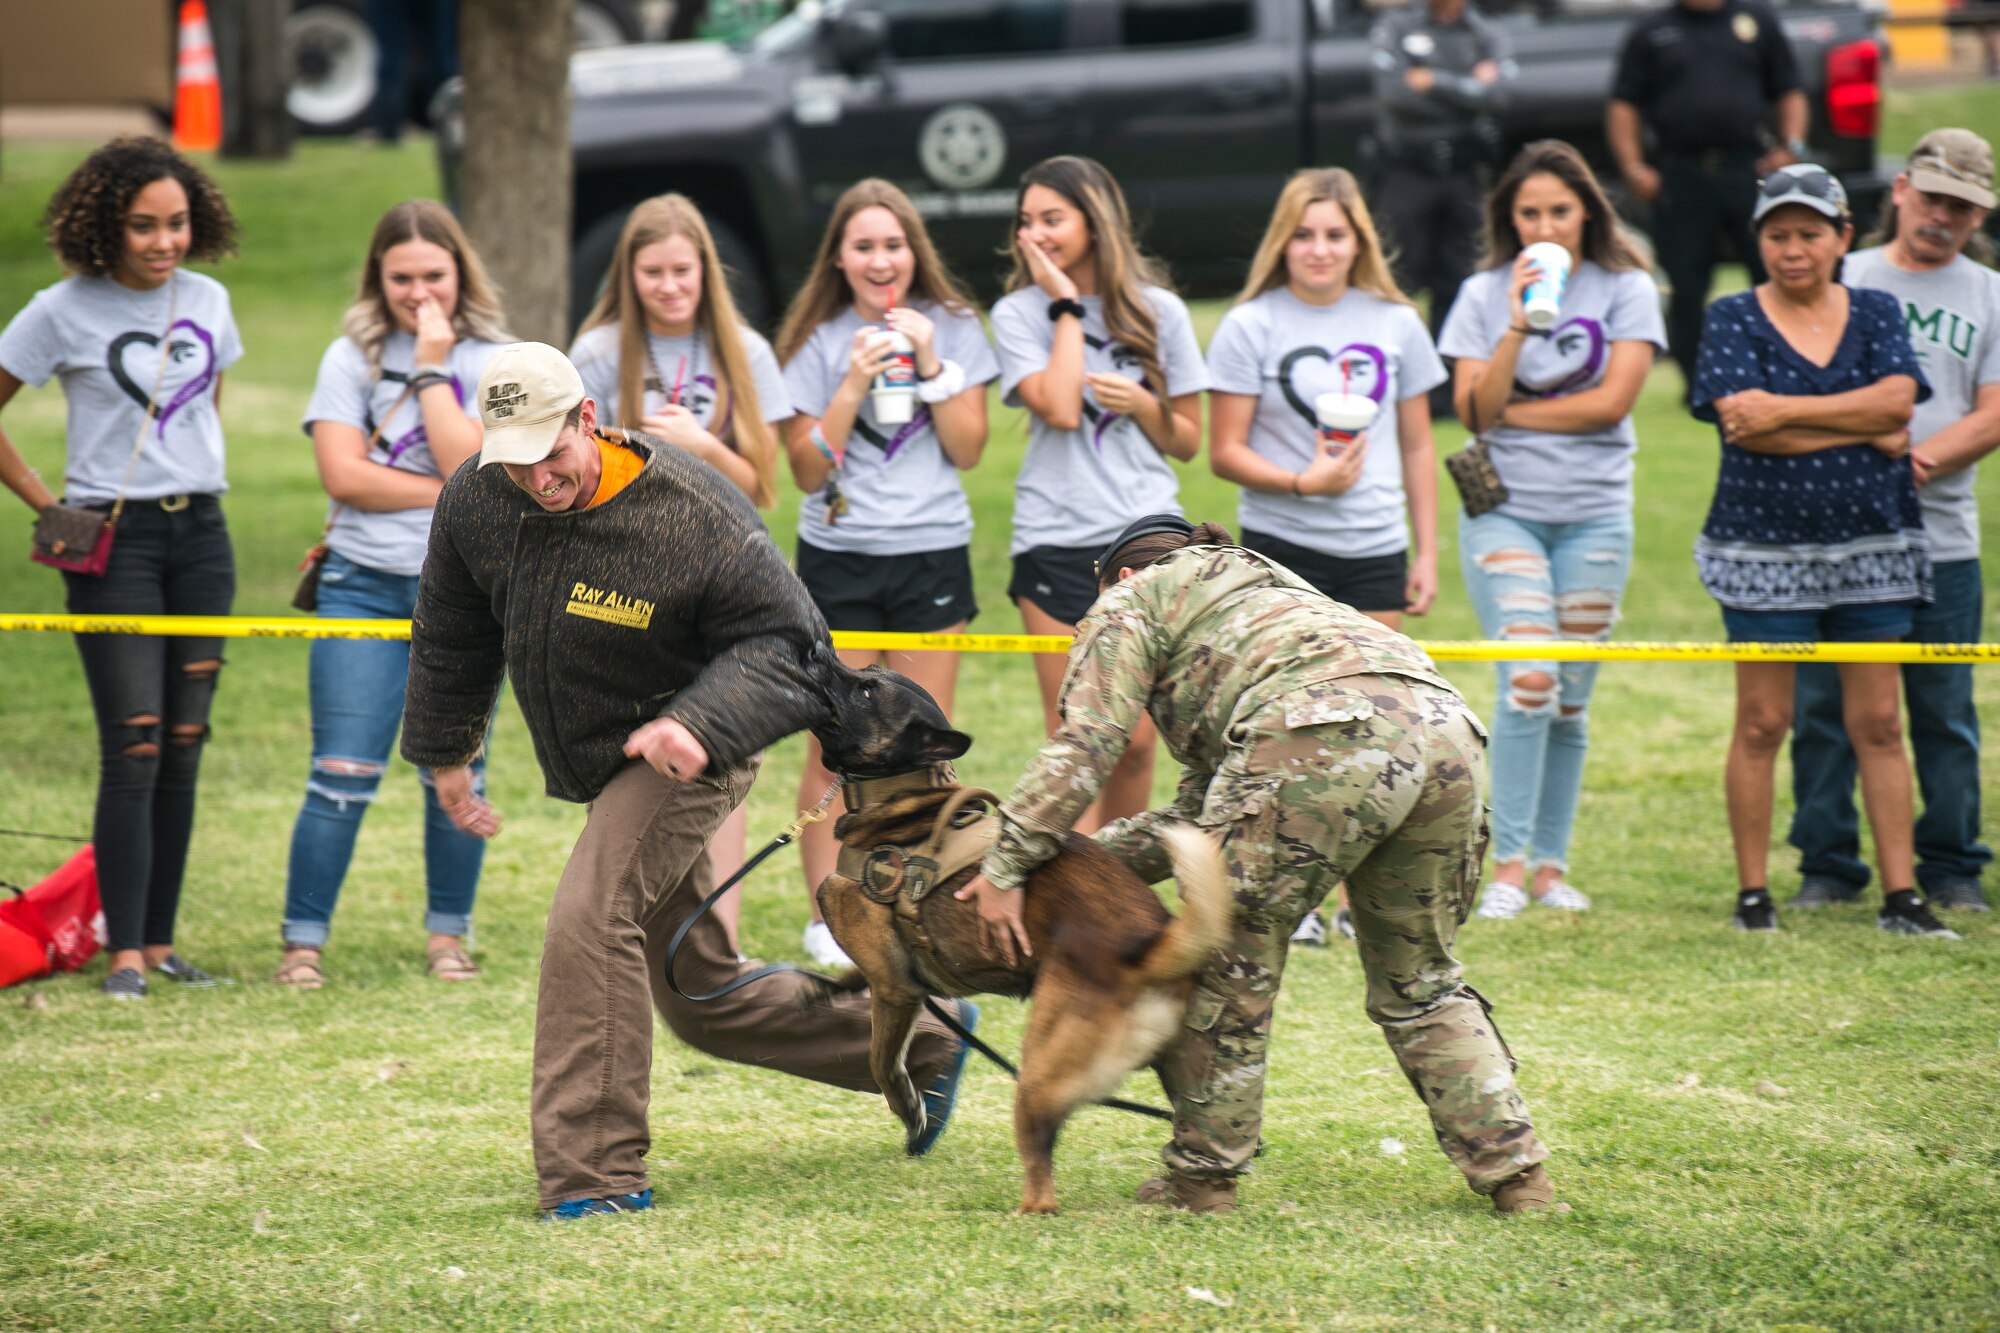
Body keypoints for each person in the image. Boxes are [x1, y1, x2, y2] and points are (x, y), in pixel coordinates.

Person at [399, 341, 974, 1220]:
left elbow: (790, 644)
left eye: (551, 455)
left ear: (587, 419)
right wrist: (447, 752)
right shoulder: (478, 498)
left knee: (590, 917)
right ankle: (928, 1040)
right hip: (608, 753)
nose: (537, 479)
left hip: (697, 742)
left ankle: (594, 1172)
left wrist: (697, 723)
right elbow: (451, 629)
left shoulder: (691, 508)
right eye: (514, 461)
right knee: (697, 995)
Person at [956, 517, 1553, 1216]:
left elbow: (1087, 744)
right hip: (1447, 734)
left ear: (1118, 576)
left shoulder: (1131, 598)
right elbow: (1197, 819)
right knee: (1422, 981)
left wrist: (1005, 866)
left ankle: (1203, 1178)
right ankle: (1519, 1176)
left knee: (1224, 956)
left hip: (1313, 731)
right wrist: (1068, 862)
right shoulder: (1264, 586)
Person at [0, 138, 243, 1000]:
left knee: (183, 743)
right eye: (143, 225)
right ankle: (124, 954)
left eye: (176, 223)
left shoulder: (209, 299)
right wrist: (46, 504)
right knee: (133, 743)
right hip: (114, 544)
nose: (163, 241)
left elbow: (203, 403)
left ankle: (164, 942)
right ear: (106, 224)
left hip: (203, 536)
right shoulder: (60, 310)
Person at [1690, 164, 1958, 940]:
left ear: (1843, 236)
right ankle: (1753, 897)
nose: (1794, 248)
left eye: (1810, 232)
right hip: (1759, 551)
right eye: (1778, 234)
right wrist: (1861, 424)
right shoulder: (1732, 315)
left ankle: (1903, 896)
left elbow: (1899, 404)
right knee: (1762, 722)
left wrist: (1786, 412)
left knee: (1878, 720)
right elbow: (1742, 424)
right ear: (1760, 241)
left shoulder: (1875, 309)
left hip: (1873, 544)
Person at [273, 201, 513, 991]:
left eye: (433, 275)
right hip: (361, 586)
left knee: (459, 771)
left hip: (465, 596)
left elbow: (479, 469)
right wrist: (445, 487)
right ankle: (301, 944)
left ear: (460, 272)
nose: (419, 293)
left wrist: (433, 368)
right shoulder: (349, 358)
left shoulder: (497, 359)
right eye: (401, 277)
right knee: (340, 770)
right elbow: (343, 475)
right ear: (377, 278)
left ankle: (450, 938)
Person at [1206, 165, 1446, 944]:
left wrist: (1426, 550)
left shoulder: (1394, 322)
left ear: (1358, 242)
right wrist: (1302, 481)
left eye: (1334, 235)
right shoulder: (1251, 325)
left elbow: (1417, 443)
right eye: (1304, 234)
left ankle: (1352, 901)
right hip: (1281, 546)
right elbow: (1224, 451)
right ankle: (1291, 895)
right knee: (1283, 722)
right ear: (1284, 240)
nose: (1318, 249)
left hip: (1374, 545)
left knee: (1373, 725)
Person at [774, 179, 998, 970]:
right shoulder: (815, 338)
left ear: (915, 252)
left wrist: (933, 363)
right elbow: (805, 470)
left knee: (925, 745)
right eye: (864, 246)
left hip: (930, 550)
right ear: (840, 256)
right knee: (832, 749)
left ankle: (918, 905)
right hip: (839, 554)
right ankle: (825, 915)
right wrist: (852, 383)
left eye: (894, 245)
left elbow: (970, 449)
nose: (881, 260)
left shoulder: (957, 328)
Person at [1438, 141, 1664, 921]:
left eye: (1559, 211)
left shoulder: (1628, 288)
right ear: (1510, 219)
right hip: (1505, 511)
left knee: (1568, 698)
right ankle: (1505, 865)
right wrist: (1515, 327)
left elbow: (1611, 405)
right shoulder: (1478, 293)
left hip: (1597, 512)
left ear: (1587, 212)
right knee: (1527, 678)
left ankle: (1550, 867)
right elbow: (1470, 411)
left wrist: (1513, 413)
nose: (1545, 226)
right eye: (1528, 213)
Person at [569, 192, 791, 956]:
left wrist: (700, 445)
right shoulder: (597, 351)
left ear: (706, 272)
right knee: (635, 746)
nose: (668, 286)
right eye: (653, 271)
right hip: (626, 579)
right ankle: (634, 915)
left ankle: (715, 934)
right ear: (628, 275)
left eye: (682, 270)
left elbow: (764, 480)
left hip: (723, 578)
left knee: (717, 745)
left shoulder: (745, 351)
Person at [1787, 130, 2000, 915]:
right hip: (1834, 537)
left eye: (1964, 208)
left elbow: (1993, 410)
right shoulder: (1845, 276)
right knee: (1823, 707)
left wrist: (1914, 463)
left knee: (1943, 708)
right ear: (1902, 189)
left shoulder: (1989, 294)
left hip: (1942, 540)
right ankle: (1828, 862)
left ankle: (1951, 864)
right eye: (1935, 197)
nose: (1945, 216)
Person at [991, 155, 1209, 833]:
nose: (1035, 235)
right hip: (1055, 538)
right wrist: (1062, 304)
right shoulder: (1018, 313)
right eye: (1026, 222)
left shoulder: (1159, 310)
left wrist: (1146, 405)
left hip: (1146, 538)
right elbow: (1057, 406)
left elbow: (1188, 440)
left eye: (1052, 219)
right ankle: (1068, 909)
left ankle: (1119, 892)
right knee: (1080, 745)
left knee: (1139, 744)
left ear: (1095, 221)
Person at [1607, 0, 1806, 397]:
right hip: (1681, 172)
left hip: (1747, 168)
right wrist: (1633, 167)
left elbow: (1789, 88)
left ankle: (1784, 366)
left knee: (1774, 270)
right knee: (1685, 281)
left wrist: (1792, 146)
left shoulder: (1756, 19)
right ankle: (1698, 380)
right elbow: (1624, 104)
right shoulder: (1652, 31)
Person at [1367, 0, 1514, 415]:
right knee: (1398, 278)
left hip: (1464, 172)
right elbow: (1395, 94)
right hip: (1407, 170)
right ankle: (1389, 383)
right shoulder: (1396, 26)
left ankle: (1446, 393)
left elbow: (1500, 96)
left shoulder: (1484, 31)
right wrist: (1469, 89)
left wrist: (1433, 82)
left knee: (1460, 281)